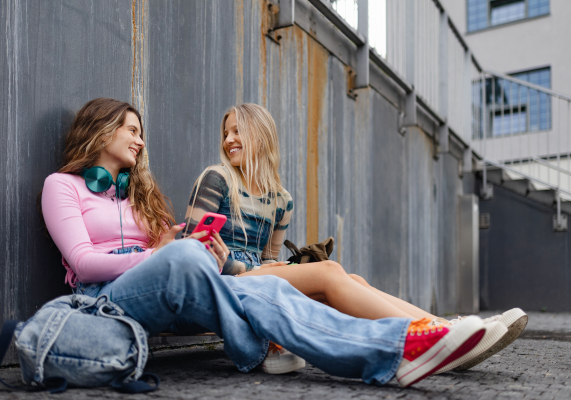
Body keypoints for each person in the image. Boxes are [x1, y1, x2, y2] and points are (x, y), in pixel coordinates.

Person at [40, 98, 489, 388]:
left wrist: (179, 242)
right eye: (131, 130)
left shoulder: (141, 194)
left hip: (173, 287)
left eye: (141, 132)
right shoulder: (62, 186)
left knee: (270, 286)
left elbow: (171, 253)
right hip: (104, 299)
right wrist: (159, 254)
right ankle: (251, 342)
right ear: (101, 131)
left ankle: (399, 347)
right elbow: (82, 263)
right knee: (193, 260)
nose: (140, 140)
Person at [182, 103, 527, 372]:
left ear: (261, 136)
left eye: (238, 131)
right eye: (226, 133)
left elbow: (272, 259)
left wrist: (290, 272)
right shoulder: (217, 179)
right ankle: (433, 337)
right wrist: (244, 267)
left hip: (261, 282)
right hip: (227, 282)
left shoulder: (280, 199)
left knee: (352, 279)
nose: (229, 140)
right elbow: (192, 249)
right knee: (330, 271)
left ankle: (447, 330)